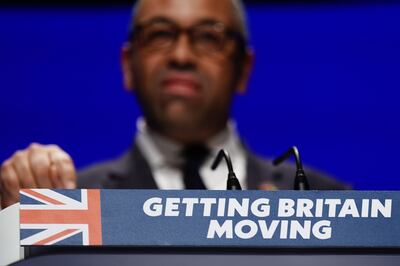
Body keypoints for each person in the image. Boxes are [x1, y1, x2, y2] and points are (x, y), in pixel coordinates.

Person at [0, 0, 349, 209]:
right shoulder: (70, 200)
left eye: (209, 37)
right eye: (160, 34)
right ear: (127, 65)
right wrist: (15, 229)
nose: (181, 55)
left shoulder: (324, 200)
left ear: (244, 69)